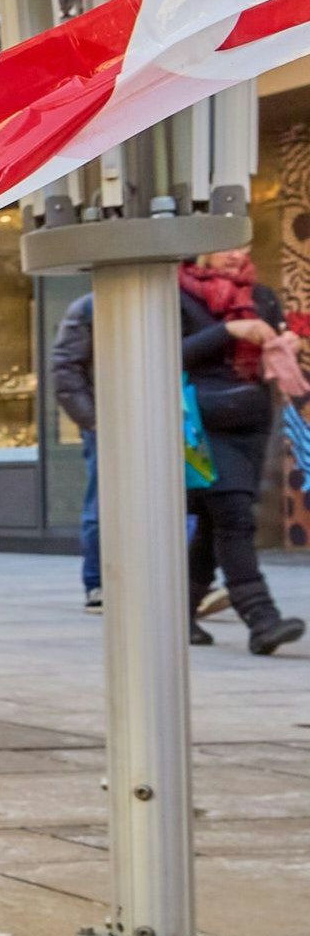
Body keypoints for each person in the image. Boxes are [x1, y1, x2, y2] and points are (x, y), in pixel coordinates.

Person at [180, 250, 304, 655]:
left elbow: (280, 335)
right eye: (226, 246)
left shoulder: (262, 295)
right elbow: (167, 353)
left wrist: (287, 341)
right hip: (202, 422)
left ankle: (178, 614)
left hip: (252, 421)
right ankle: (260, 617)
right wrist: (230, 331)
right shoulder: (176, 292)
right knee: (232, 513)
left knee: (219, 521)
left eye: (243, 246)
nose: (236, 254)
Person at [50, 290, 100, 609]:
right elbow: (66, 369)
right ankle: (97, 583)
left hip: (170, 422)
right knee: (101, 502)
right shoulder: (88, 307)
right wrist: (92, 421)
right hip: (106, 423)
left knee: (185, 502)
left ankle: (189, 578)